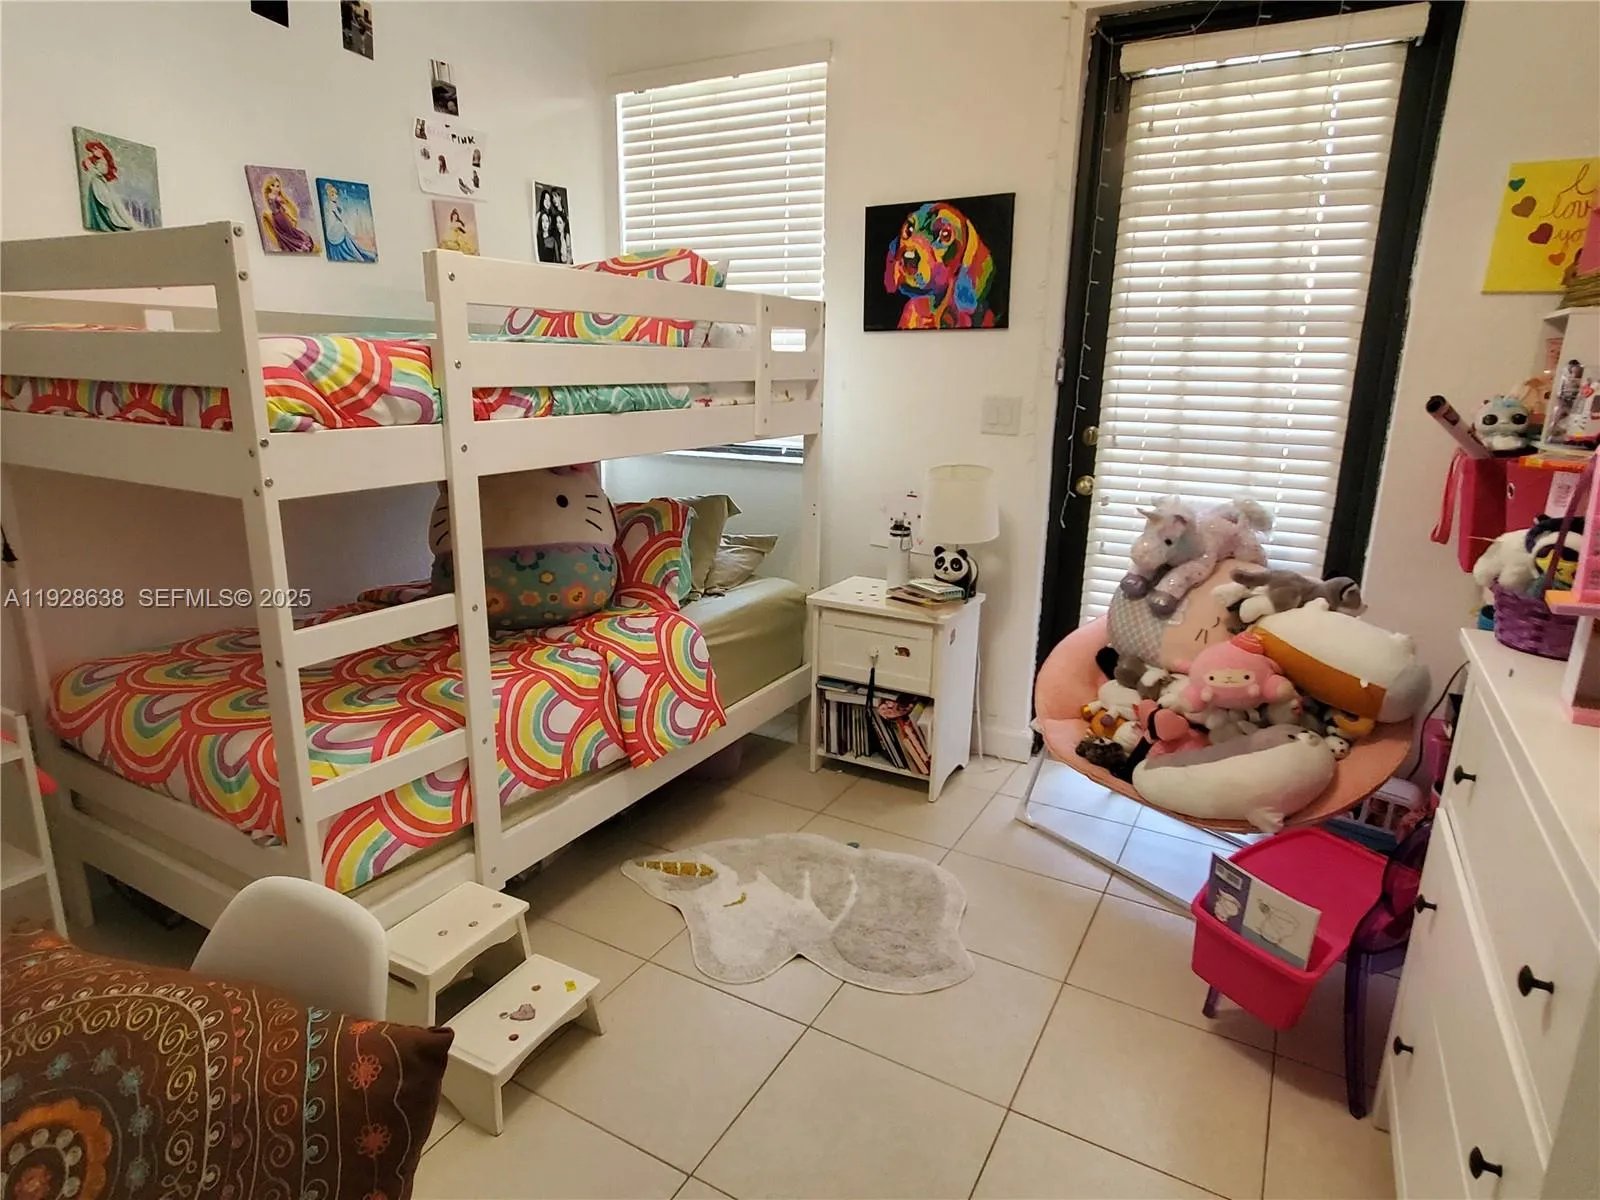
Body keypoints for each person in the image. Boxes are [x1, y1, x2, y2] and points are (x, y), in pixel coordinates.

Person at [79, 140, 137, 232]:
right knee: (102, 201)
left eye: (95, 149)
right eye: (92, 150)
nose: (94, 152)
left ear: (101, 149)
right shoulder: (93, 161)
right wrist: (90, 164)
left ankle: (113, 222)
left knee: (107, 202)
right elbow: (96, 173)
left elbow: (102, 172)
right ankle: (105, 222)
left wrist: (94, 164)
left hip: (101, 183)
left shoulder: (103, 160)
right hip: (96, 184)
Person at [258, 174, 316, 253]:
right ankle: (297, 245)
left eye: (277, 186)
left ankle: (301, 244)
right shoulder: (272, 196)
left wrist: (291, 217)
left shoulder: (276, 197)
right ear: (269, 186)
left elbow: (284, 208)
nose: (275, 188)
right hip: (276, 218)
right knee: (285, 234)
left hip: (281, 217)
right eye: (273, 185)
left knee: (290, 232)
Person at [322, 183, 376, 262]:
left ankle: (354, 250)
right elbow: (339, 217)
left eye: (336, 194)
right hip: (334, 228)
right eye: (333, 195)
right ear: (329, 196)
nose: (336, 196)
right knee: (344, 229)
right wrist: (344, 223)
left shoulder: (334, 205)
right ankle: (351, 251)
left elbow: (340, 216)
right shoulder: (331, 205)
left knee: (345, 230)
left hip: (336, 226)